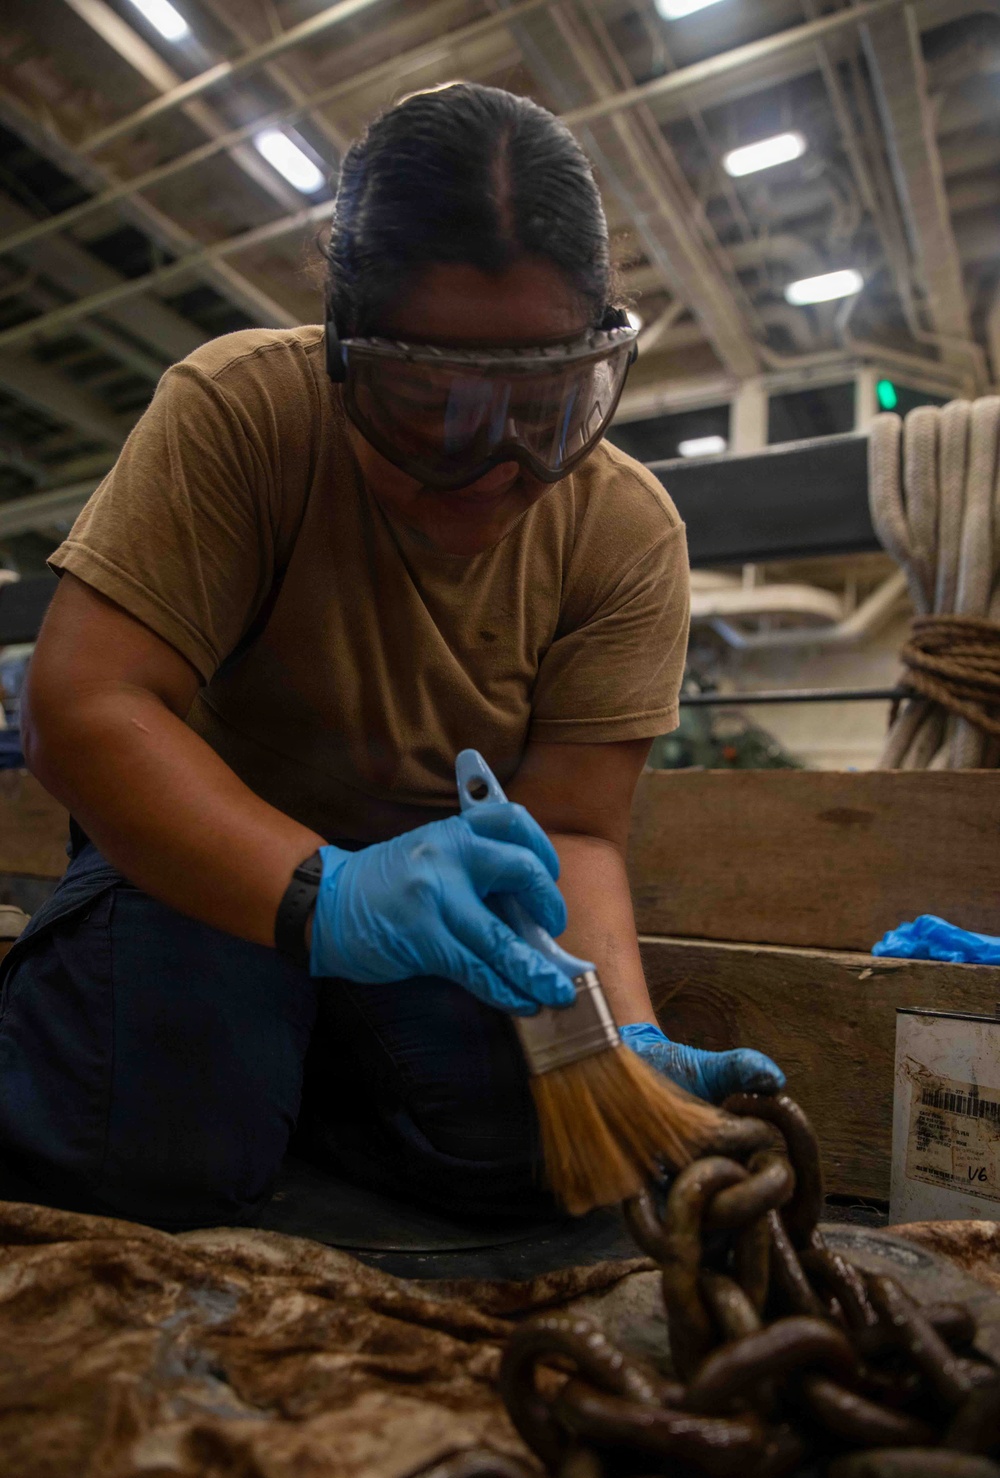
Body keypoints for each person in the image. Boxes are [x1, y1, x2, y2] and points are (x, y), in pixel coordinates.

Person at [0, 84, 782, 1232]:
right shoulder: (240, 415)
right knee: (149, 1150)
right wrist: (327, 895)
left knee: (516, 1158)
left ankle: (306, 1066)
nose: (502, 465)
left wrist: (630, 1035)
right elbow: (84, 704)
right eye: (436, 412)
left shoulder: (625, 531)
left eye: (549, 408)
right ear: (343, 356)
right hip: (204, 848)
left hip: (446, 896)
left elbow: (571, 828)